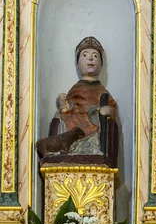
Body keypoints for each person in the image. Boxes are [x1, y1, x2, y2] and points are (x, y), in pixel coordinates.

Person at [37, 37, 118, 166]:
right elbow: (69, 105)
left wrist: (108, 111)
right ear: (78, 64)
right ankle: (61, 151)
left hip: (95, 126)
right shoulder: (75, 89)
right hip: (74, 123)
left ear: (101, 65)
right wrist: (64, 106)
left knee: (104, 120)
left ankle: (94, 152)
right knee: (59, 116)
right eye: (85, 55)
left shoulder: (102, 91)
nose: (91, 59)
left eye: (95, 56)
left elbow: (111, 105)